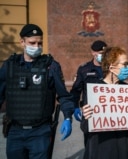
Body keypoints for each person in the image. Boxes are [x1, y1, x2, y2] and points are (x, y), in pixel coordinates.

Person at [0, 24, 74, 159]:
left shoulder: (50, 66)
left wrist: (68, 117)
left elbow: (63, 96)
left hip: (40, 132)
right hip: (14, 131)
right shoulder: (9, 66)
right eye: (32, 43)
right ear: (22, 42)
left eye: (40, 43)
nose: (37, 46)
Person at [81, 46, 128, 159]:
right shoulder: (95, 91)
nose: (127, 68)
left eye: (127, 64)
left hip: (126, 146)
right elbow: (85, 127)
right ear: (111, 66)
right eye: (124, 64)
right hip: (104, 147)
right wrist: (86, 117)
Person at [70, 40, 107, 146]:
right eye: (99, 53)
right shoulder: (84, 69)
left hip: (107, 113)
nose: (102, 55)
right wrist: (75, 106)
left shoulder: (112, 68)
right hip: (90, 112)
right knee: (91, 145)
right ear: (93, 52)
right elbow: (76, 90)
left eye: (104, 53)